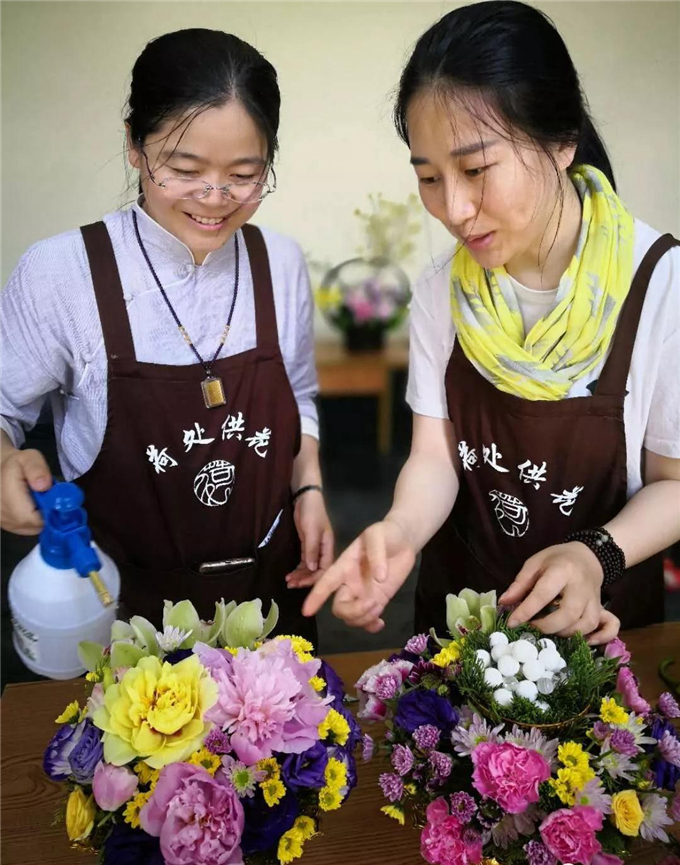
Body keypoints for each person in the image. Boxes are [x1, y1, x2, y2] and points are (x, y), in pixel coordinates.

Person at [304, 1, 680, 643]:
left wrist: (595, 554)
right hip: (460, 625)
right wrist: (399, 530)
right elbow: (435, 458)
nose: (453, 208)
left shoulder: (662, 287)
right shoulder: (442, 290)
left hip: (601, 631)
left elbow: (674, 484)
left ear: (561, 141)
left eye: (476, 170)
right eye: (429, 177)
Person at [0, 28, 332, 640]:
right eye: (184, 170)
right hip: (122, 608)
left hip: (268, 602)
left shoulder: (280, 262)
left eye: (244, 174)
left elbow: (300, 395)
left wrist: (308, 487)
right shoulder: (60, 273)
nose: (215, 199)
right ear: (134, 144)